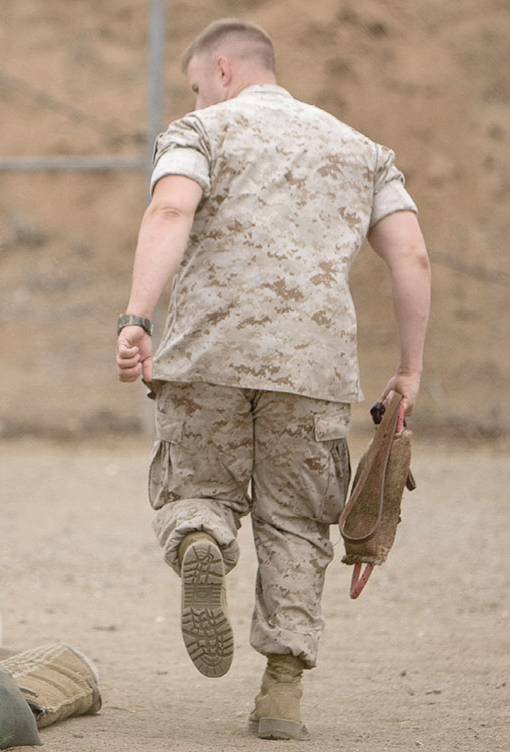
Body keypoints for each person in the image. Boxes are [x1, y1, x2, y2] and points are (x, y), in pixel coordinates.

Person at [115, 18, 430, 741]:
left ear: (221, 70)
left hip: (206, 358)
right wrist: (410, 369)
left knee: (197, 487)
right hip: (312, 369)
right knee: (295, 523)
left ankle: (200, 539)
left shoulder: (200, 133)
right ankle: (282, 692)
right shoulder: (362, 152)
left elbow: (170, 207)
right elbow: (410, 258)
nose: (195, 99)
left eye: (196, 86)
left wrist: (136, 317)